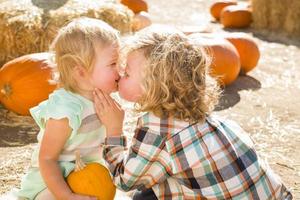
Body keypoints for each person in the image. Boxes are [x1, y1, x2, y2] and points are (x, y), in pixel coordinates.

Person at [93, 26, 293, 199]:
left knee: (141, 195)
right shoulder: (199, 115)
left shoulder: (157, 129)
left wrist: (114, 131)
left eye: (127, 73)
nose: (120, 75)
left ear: (154, 87)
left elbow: (124, 181)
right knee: (152, 187)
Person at [17, 17, 120, 200]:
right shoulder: (65, 110)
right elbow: (47, 159)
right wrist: (66, 196)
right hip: (53, 183)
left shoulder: (104, 100)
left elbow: (110, 152)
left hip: (87, 174)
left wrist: (115, 128)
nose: (120, 70)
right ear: (81, 72)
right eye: (113, 64)